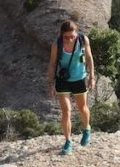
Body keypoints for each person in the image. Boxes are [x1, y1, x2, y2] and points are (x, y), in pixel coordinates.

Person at [47, 20, 96, 156]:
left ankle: (86, 129)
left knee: (82, 108)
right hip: (63, 80)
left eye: (72, 36)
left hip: (79, 79)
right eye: (66, 37)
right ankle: (68, 142)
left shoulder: (82, 40)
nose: (69, 39)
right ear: (61, 35)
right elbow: (51, 64)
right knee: (66, 111)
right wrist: (50, 84)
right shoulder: (57, 44)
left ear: (77, 33)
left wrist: (92, 77)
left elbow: (89, 58)